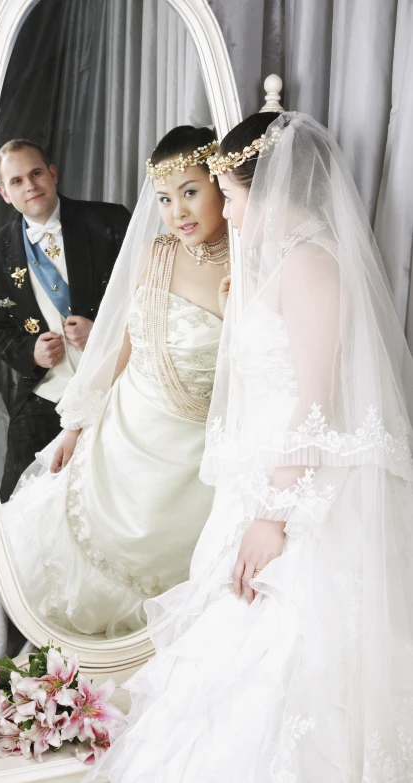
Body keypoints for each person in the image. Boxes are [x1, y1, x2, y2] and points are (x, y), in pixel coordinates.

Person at [84, 112, 413, 781]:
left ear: (267, 192)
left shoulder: (315, 263)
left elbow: (316, 401)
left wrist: (272, 516)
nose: (226, 214)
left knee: (283, 666)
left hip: (302, 500)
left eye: (228, 196)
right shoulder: (286, 263)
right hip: (267, 484)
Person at [1, 126, 230, 638]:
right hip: (120, 435)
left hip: (191, 460)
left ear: (221, 184)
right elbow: (121, 346)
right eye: (165, 198)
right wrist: (76, 428)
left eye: (191, 192)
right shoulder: (157, 253)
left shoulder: (249, 265)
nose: (178, 212)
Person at [0, 139, 131, 502]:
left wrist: (103, 332)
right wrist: (30, 351)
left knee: (109, 495)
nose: (29, 185)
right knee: (19, 497)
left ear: (52, 173)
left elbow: (145, 292)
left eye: (35, 173)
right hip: (45, 390)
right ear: (4, 193)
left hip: (117, 381)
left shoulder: (108, 220)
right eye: (16, 181)